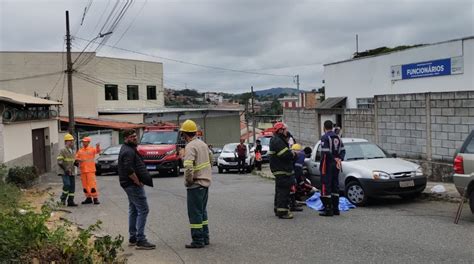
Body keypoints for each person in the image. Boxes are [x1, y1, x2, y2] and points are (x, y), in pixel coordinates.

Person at [118, 129, 156, 250]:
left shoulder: (128, 149)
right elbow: (129, 169)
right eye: (131, 136)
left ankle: (133, 237)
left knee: (133, 209)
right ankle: (141, 239)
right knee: (143, 209)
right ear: (126, 138)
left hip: (127, 184)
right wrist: (137, 181)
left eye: (135, 136)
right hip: (132, 184)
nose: (134, 138)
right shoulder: (128, 151)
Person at [181, 120, 213, 249]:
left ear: (185, 134)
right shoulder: (202, 144)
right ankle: (205, 237)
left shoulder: (190, 146)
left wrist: (189, 181)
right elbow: (211, 159)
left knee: (195, 213)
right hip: (205, 183)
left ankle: (198, 240)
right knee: (202, 212)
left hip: (195, 184)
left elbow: (188, 167)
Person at [269, 122, 296, 219]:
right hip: (282, 169)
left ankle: (278, 209)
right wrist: (292, 154)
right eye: (285, 130)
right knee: (284, 192)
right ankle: (283, 212)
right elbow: (284, 155)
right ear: (280, 130)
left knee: (280, 191)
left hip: (280, 169)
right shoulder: (278, 141)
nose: (286, 132)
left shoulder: (277, 139)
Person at [319, 120, 345, 216]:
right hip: (337, 165)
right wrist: (339, 159)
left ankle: (328, 209)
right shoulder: (338, 137)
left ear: (324, 127)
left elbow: (325, 152)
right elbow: (343, 150)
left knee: (326, 186)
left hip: (327, 164)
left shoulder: (325, 137)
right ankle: (336, 209)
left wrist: (333, 159)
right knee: (335, 185)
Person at [75, 137, 101, 204]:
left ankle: (95, 198)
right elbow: (76, 157)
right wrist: (78, 160)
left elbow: (98, 151)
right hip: (83, 170)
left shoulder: (92, 149)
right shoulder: (80, 150)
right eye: (83, 142)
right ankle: (88, 198)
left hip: (90, 170)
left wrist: (98, 146)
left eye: (85, 142)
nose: (84, 143)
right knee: (85, 185)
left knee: (92, 185)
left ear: (88, 142)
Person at [57, 133, 78, 207]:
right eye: (70, 141)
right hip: (64, 171)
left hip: (71, 171)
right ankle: (62, 200)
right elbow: (59, 161)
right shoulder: (62, 150)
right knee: (67, 185)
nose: (72, 142)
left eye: (72, 141)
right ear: (66, 141)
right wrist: (66, 169)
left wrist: (76, 163)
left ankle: (70, 201)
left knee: (72, 186)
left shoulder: (72, 150)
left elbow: (72, 161)